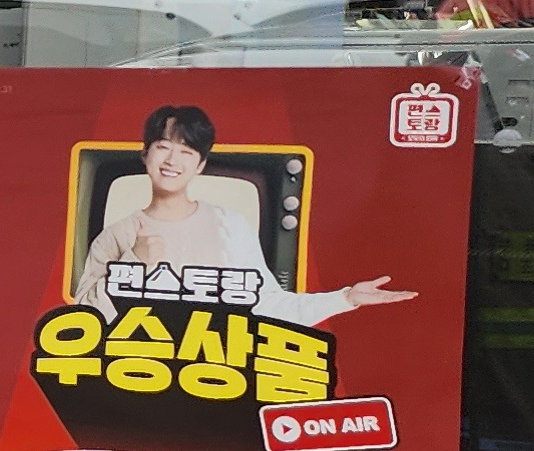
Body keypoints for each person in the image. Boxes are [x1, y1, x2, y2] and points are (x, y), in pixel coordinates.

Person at [72, 101, 419, 328]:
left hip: (218, 375)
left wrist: (346, 298)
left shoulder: (229, 226)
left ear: (201, 165)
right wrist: (135, 261)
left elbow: (269, 305)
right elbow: (83, 321)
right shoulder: (116, 235)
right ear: (146, 155)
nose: (171, 161)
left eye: (186, 151)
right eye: (163, 148)